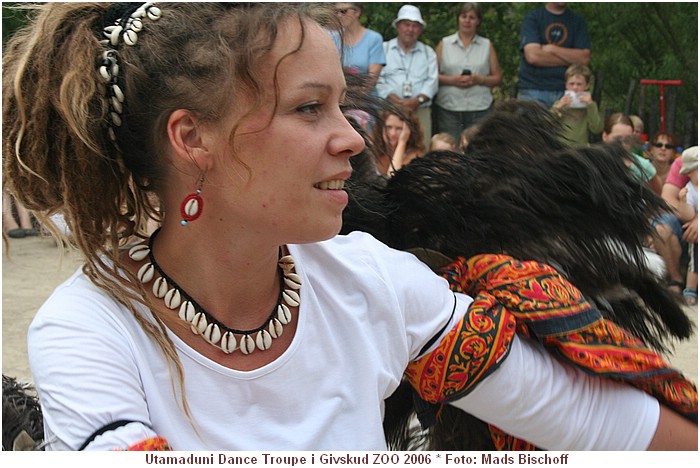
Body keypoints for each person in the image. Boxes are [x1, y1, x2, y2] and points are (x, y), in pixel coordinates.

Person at [2, 3, 696, 452]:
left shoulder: (370, 281)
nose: (352, 141)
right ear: (193, 139)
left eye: (345, 105)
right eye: (309, 109)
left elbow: (606, 427)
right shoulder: (90, 330)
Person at [433, 2, 503, 143]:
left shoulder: (486, 45)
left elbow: (498, 78)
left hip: (479, 108)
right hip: (449, 108)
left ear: (478, 21)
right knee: (450, 151)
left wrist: (479, 79)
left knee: (478, 149)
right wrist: (453, 80)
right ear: (458, 18)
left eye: (472, 17)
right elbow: (432, 76)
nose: (467, 20)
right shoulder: (444, 44)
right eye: (464, 16)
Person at [376, 4, 438, 150]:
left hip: (419, 111)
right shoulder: (384, 49)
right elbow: (377, 78)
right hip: (389, 110)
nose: (410, 29)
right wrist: (392, 97)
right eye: (406, 25)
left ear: (420, 29)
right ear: (398, 26)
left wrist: (418, 100)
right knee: (386, 148)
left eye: (415, 26)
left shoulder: (428, 53)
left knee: (420, 148)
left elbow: (433, 81)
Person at [517, 2, 591, 109]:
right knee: (530, 126)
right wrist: (570, 57)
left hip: (568, 92)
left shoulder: (578, 21)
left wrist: (552, 49)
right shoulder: (532, 18)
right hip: (534, 90)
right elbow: (533, 57)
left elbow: (584, 59)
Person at [654, 146, 697, 296]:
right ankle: (676, 279)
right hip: (686, 218)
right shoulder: (686, 159)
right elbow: (667, 199)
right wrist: (692, 218)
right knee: (661, 227)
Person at [331, 2, 385, 97]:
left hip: (366, 101)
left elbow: (371, 81)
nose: (339, 15)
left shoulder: (373, 39)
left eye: (343, 11)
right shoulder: (333, 40)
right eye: (336, 12)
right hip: (339, 100)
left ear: (357, 12)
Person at [601, 113, 661, 194]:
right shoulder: (591, 163)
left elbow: (657, 197)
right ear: (605, 136)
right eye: (617, 139)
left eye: (627, 140)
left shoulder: (642, 167)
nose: (622, 144)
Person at [551, 64, 602, 147]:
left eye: (579, 84)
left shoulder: (589, 106)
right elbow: (546, 123)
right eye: (571, 84)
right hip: (560, 148)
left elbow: (596, 129)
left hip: (580, 150)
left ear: (586, 86)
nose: (575, 87)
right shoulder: (559, 104)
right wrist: (558, 108)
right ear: (566, 85)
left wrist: (590, 105)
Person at [370, 109, 425, 175]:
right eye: (388, 127)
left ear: (408, 131)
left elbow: (393, 178)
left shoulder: (415, 156)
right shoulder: (374, 150)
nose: (393, 133)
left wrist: (402, 142)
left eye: (399, 128)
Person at [676, 147, 698, 305]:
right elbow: (687, 215)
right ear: (689, 173)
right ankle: (690, 288)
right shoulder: (689, 190)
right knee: (696, 262)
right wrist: (683, 202)